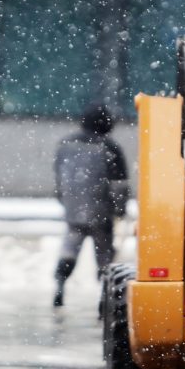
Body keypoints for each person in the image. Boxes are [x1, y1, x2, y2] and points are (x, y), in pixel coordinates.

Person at [52, 103, 129, 307]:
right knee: (104, 255)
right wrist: (120, 209)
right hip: (101, 211)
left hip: (73, 209)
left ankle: (60, 283)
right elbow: (119, 185)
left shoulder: (65, 145)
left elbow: (59, 178)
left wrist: (65, 200)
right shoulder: (109, 147)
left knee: (69, 248)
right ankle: (104, 298)